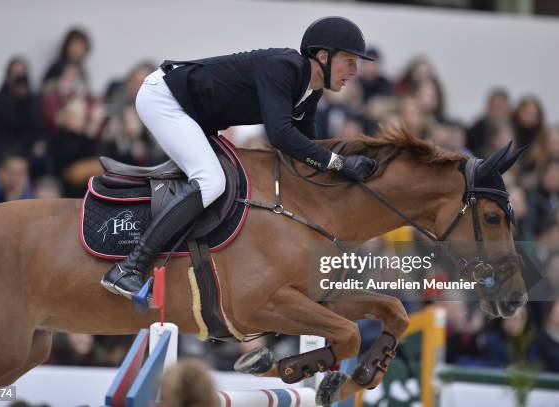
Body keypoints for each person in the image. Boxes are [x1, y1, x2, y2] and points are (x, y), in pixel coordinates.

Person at [101, 16, 378, 306]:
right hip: (164, 99)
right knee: (211, 180)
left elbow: (310, 149)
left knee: (226, 180)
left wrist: (343, 171)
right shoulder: (285, 68)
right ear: (323, 56)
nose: (355, 71)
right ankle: (129, 267)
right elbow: (281, 135)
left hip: (194, 114)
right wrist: (339, 163)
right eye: (349, 61)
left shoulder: (311, 90)